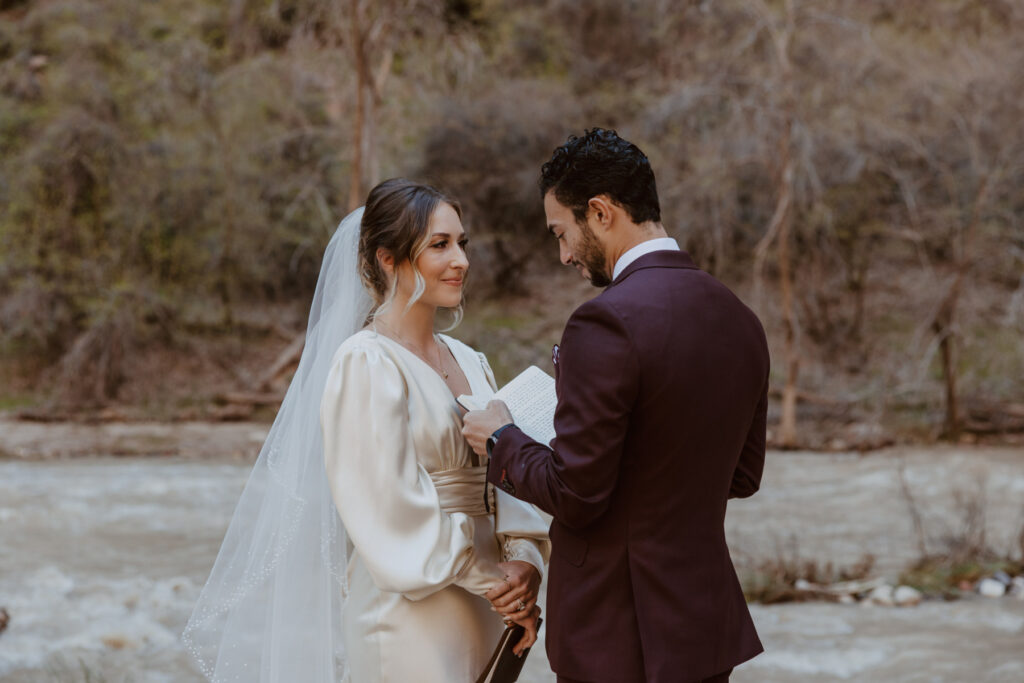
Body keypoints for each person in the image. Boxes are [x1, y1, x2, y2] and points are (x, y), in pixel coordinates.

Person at [184, 178, 548, 683]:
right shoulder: (366, 362)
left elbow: (507, 480)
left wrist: (525, 563)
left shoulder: (470, 359)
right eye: (439, 245)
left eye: (462, 243)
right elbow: (386, 505)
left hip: (495, 603)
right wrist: (492, 579)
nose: (461, 259)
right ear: (388, 259)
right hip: (414, 608)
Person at [463, 129, 768, 683]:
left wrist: (501, 440)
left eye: (562, 232)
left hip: (619, 633)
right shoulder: (739, 318)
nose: (563, 255)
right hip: (702, 629)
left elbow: (576, 493)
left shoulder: (606, 321)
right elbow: (743, 474)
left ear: (600, 212)